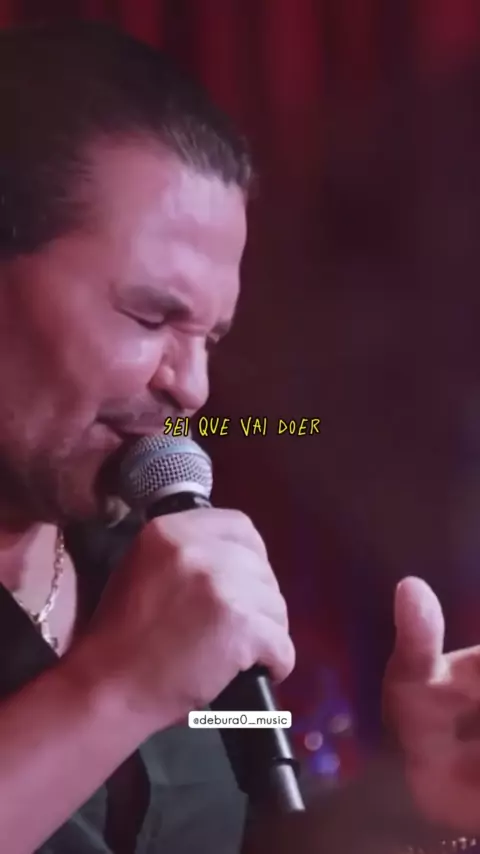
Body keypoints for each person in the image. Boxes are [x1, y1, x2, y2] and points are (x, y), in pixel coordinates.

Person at [0, 18, 478, 854]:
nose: (191, 386)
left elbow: (254, 828)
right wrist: (114, 688)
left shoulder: (151, 569)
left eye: (210, 339)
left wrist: (410, 800)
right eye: (152, 316)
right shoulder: (144, 640)